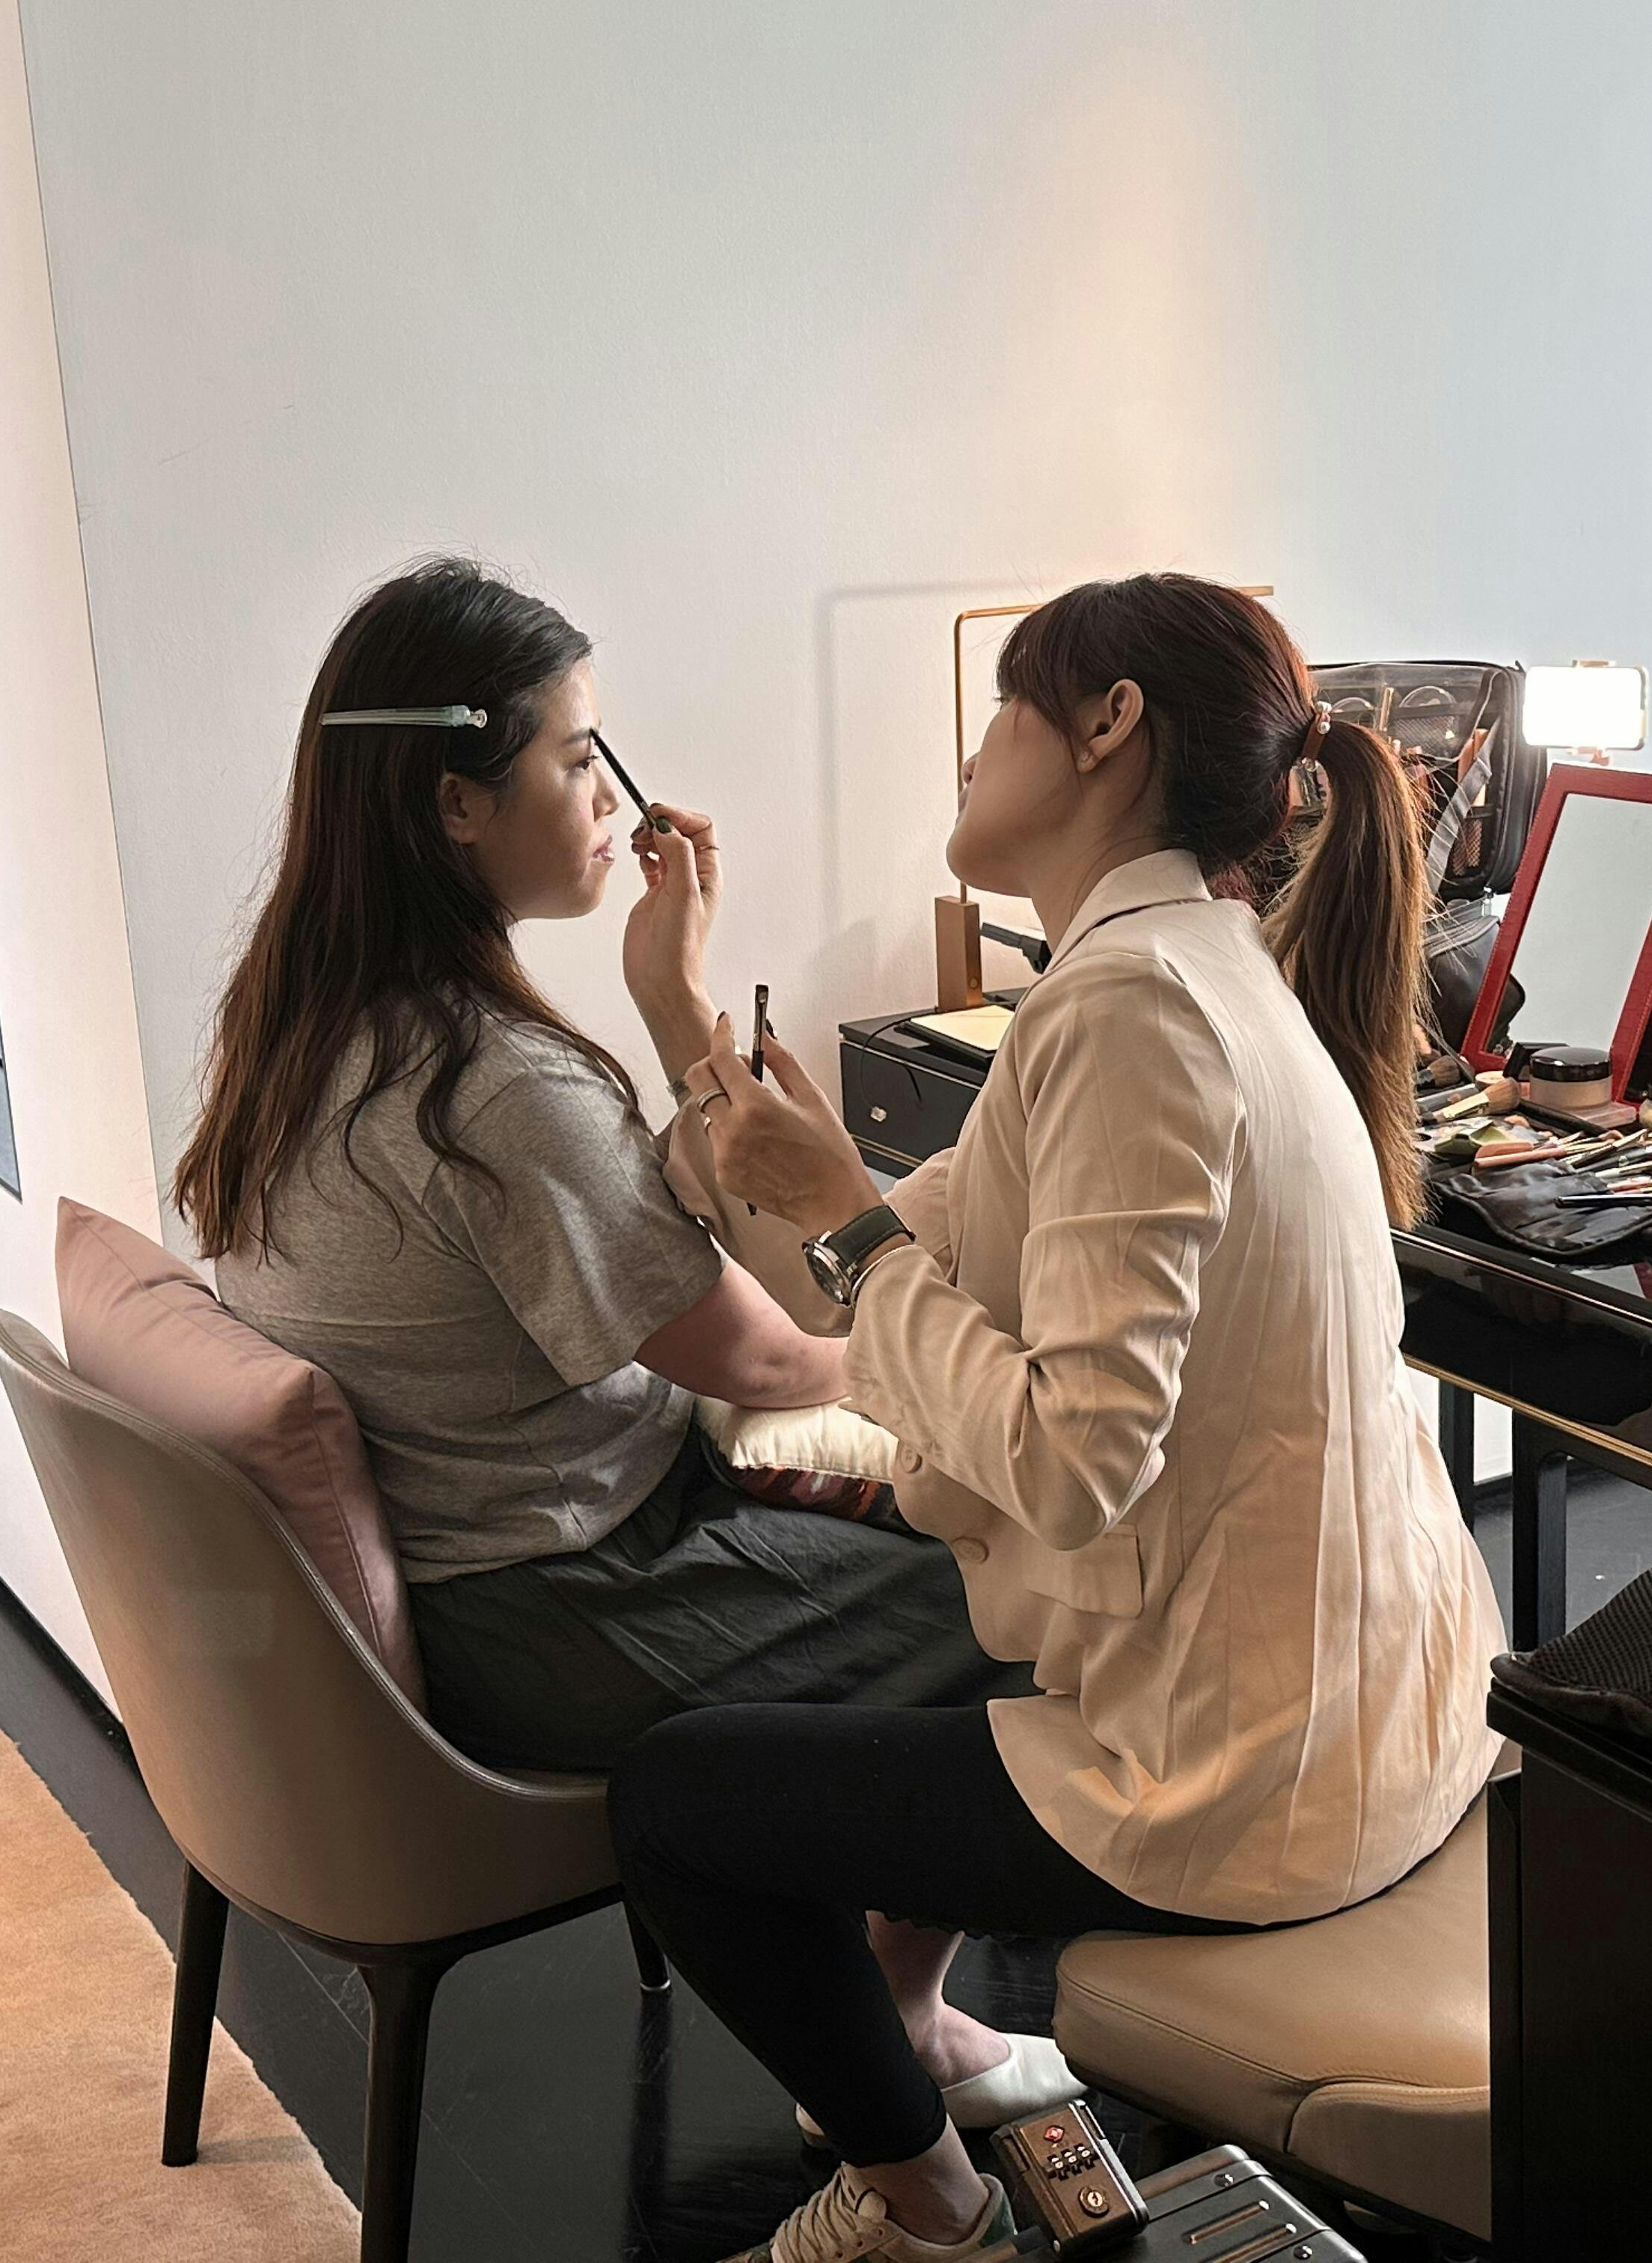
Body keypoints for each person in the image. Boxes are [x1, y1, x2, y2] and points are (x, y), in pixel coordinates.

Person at [609, 574, 1508, 2263]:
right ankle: (921, 2035)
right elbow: (829, 1287)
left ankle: (926, 2214)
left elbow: (1069, 1458)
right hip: (1383, 1721)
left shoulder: (1127, 1009)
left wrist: (853, 1226)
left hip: (1260, 1782)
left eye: (1004, 706)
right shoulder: (1172, 977)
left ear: (1108, 725)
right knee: (943, 1629)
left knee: (673, 1802)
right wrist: (678, 1006)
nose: (973, 748)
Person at [177, 559, 1080, 2138]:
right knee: (1032, 1606)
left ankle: (898, 2011)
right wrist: (959, 1351)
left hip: (489, 1556)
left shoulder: (306, 1020)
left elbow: (638, 1241)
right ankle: (897, 2024)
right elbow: (776, 1357)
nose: (610, 795)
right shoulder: (494, 1089)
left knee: (943, 1521)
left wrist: (670, 1001)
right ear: (456, 805)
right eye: (574, 755)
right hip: (558, 1598)